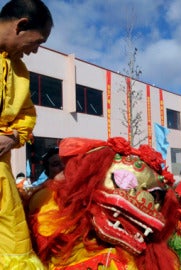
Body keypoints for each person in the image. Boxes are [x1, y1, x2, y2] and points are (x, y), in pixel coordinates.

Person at [0, 0, 53, 267]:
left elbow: (27, 114)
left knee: (15, 238)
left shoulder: (19, 71)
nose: (35, 51)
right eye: (37, 42)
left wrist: (11, 137)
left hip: (2, 172)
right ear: (21, 26)